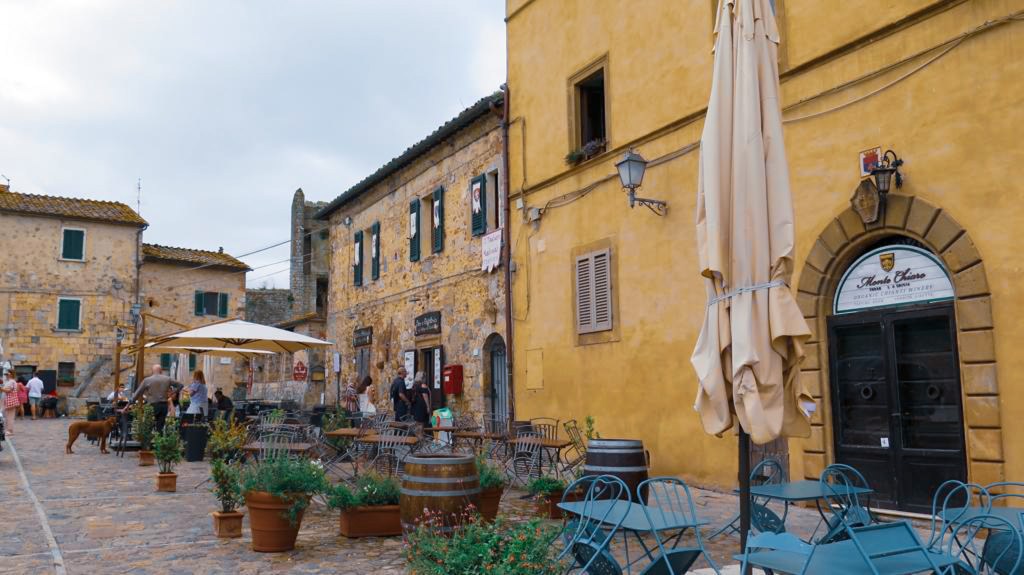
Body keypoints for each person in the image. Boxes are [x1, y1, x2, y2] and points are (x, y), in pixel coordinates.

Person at [130, 365, 183, 433]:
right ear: (161, 371)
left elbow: (137, 393)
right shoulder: (167, 379)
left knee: (148, 426)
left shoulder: (147, 380)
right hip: (163, 405)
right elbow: (181, 385)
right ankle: (159, 438)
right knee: (160, 427)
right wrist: (173, 392)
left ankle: (148, 438)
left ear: (152, 371)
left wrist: (129, 403)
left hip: (152, 405)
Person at [2, 370, 19, 435]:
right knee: (7, 416)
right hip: (8, 401)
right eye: (6, 374)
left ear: (11, 374)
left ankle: (10, 430)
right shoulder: (10, 381)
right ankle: (8, 430)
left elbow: (9, 390)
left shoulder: (12, 381)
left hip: (10, 401)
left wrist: (1, 389)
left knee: (9, 416)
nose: (6, 375)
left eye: (7, 374)